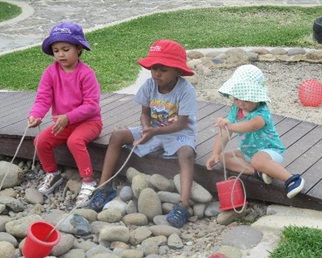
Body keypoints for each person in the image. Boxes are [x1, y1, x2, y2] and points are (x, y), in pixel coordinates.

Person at [89, 39, 197, 228]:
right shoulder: (149, 85)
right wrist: (146, 129)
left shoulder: (186, 90)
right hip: (154, 127)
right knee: (116, 136)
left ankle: (183, 205)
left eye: (163, 70)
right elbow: (145, 113)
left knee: (187, 153)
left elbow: (181, 123)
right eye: (154, 68)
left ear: (178, 71)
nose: (157, 73)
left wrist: (154, 131)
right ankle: (104, 186)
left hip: (178, 131)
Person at [28, 22, 103, 207]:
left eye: (65, 49)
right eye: (56, 50)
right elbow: (43, 98)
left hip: (89, 122)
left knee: (74, 141)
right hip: (63, 123)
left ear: (78, 48)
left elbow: (92, 106)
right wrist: (36, 115)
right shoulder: (50, 72)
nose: (60, 54)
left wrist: (69, 117)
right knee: (40, 141)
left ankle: (88, 181)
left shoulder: (86, 74)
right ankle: (52, 174)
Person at [206, 64, 305, 199]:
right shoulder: (236, 110)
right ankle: (258, 173)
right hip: (248, 152)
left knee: (258, 160)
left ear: (257, 96)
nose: (240, 103)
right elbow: (225, 133)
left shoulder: (261, 113)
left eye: (245, 99)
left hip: (270, 152)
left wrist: (229, 126)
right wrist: (215, 153)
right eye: (236, 98)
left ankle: (292, 179)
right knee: (224, 158)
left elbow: (250, 126)